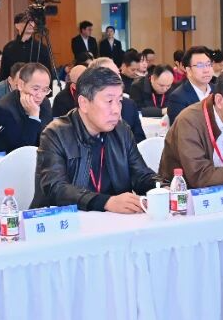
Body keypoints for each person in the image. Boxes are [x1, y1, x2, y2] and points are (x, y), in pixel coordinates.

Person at [32, 67, 156, 212]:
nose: (116, 110)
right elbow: (57, 189)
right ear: (84, 103)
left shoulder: (121, 130)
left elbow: (141, 175)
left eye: (119, 101)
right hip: (65, 220)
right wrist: (105, 202)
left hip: (113, 220)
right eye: (109, 101)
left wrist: (164, 187)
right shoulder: (55, 134)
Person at [0, 62, 53, 152]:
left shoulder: (45, 102)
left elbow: (49, 139)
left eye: (45, 90)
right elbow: (21, 150)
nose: (40, 95)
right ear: (21, 85)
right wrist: (34, 116)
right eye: (35, 89)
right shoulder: (2, 110)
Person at [165, 46, 214, 123]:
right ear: (188, 70)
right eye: (200, 66)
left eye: (208, 64)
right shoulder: (178, 98)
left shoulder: (219, 91)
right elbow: (180, 128)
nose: (206, 70)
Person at [1, 12, 54, 79]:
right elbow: (4, 74)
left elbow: (48, 73)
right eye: (26, 21)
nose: (30, 24)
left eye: (32, 21)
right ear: (17, 25)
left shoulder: (41, 47)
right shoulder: (9, 48)